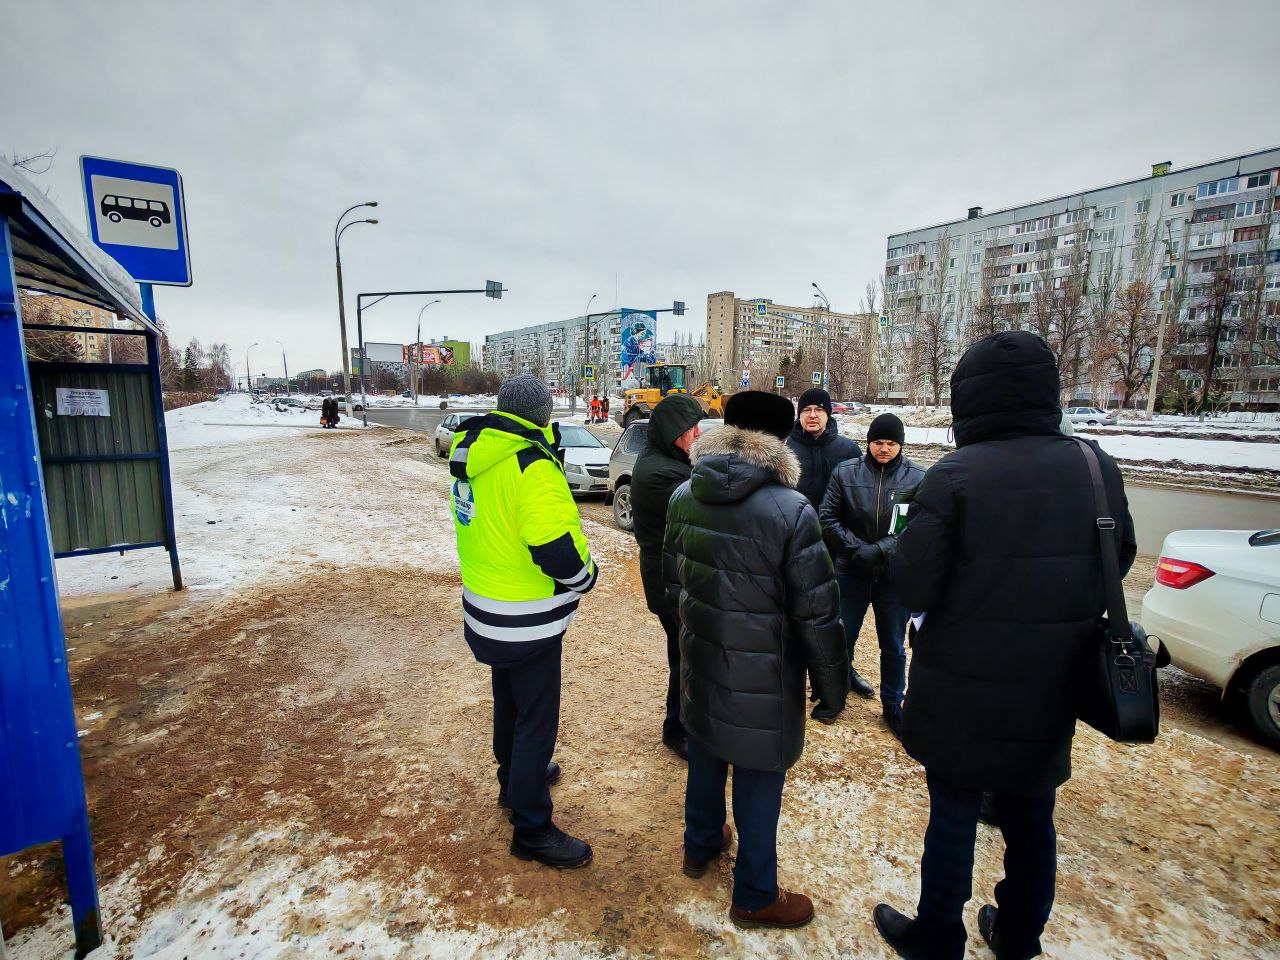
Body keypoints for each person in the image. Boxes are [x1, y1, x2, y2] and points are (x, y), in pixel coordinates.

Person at [872, 332, 1136, 960]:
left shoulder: (956, 474)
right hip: (1053, 679)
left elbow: (913, 581)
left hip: (961, 678)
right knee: (1031, 816)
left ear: (970, 399)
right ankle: (1019, 936)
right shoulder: (1094, 465)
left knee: (955, 813)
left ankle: (937, 935)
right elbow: (1118, 558)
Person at [663, 391, 847, 929]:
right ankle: (755, 894)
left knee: (705, 752)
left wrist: (695, 635)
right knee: (759, 774)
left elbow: (673, 586)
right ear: (782, 440)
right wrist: (831, 686)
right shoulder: (791, 510)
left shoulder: (683, 495)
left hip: (702, 657)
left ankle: (699, 842)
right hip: (765, 672)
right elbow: (817, 613)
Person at [448, 374, 599, 869]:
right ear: (543, 415)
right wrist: (586, 578)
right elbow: (555, 550)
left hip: (488, 611)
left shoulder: (474, 455)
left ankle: (512, 780)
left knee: (508, 702)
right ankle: (531, 826)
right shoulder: (530, 465)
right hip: (528, 620)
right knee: (536, 719)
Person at [818, 412, 925, 732]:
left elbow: (916, 527)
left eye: (891, 443)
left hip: (892, 577)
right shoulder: (846, 472)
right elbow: (827, 516)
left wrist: (878, 550)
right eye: (878, 442)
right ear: (868, 443)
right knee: (842, 637)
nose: (883, 448)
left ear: (900, 445)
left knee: (892, 643)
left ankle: (893, 703)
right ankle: (836, 693)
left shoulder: (917, 477)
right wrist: (856, 550)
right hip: (850, 572)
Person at [629, 393, 704, 761]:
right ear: (675, 432)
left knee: (685, 654)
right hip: (667, 580)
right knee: (683, 656)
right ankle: (677, 729)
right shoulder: (661, 473)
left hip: (675, 576)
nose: (699, 433)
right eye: (692, 429)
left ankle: (684, 723)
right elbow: (705, 502)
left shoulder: (666, 457)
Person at [785, 388, 860, 513]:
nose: (812, 415)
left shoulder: (849, 450)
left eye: (819, 410)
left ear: (828, 414)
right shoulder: (784, 448)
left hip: (834, 527)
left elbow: (857, 495)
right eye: (806, 410)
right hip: (793, 526)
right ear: (799, 414)